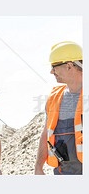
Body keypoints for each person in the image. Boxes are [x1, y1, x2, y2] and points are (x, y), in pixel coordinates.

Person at [35, 41, 83, 175]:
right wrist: (38, 167)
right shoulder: (54, 98)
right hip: (63, 172)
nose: (51, 71)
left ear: (69, 66)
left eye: (54, 66)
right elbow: (46, 134)